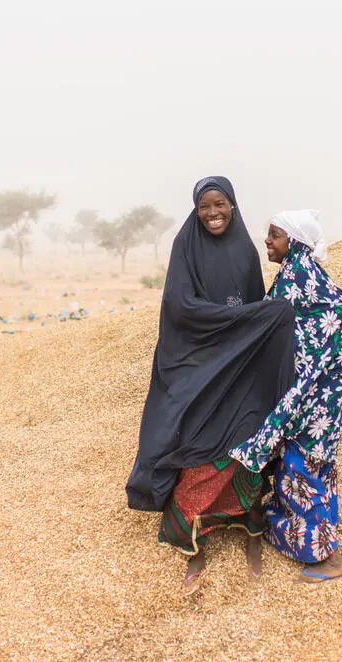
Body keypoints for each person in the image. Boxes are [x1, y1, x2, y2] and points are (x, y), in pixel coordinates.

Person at [125, 176, 295, 595]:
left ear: (234, 206)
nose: (213, 212)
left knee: (244, 447)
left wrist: (265, 322)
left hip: (237, 370)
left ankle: (252, 537)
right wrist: (236, 322)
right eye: (205, 206)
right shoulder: (186, 247)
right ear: (196, 210)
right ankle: (194, 548)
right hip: (198, 364)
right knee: (195, 449)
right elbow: (181, 306)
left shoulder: (244, 250)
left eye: (220, 204)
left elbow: (258, 314)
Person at [230, 209, 342, 583]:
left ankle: (329, 559)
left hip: (319, 396)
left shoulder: (300, 273)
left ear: (292, 241)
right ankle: (295, 536)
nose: (268, 241)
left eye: (274, 235)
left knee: (304, 465)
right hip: (316, 391)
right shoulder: (296, 271)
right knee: (303, 463)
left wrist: (330, 362)